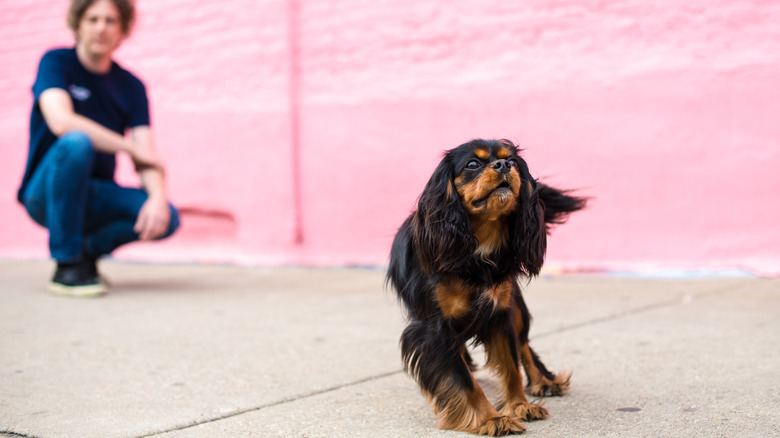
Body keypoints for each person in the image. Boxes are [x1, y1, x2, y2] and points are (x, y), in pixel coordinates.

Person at [17, 0, 180, 297]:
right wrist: (128, 148)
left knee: (167, 215)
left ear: (122, 29)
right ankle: (66, 266)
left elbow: (147, 156)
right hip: (46, 194)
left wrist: (157, 196)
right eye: (92, 19)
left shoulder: (131, 86)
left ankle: (87, 252)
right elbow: (61, 122)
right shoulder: (56, 62)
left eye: (110, 20)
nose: (101, 28)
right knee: (76, 142)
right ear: (78, 24)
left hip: (94, 195)